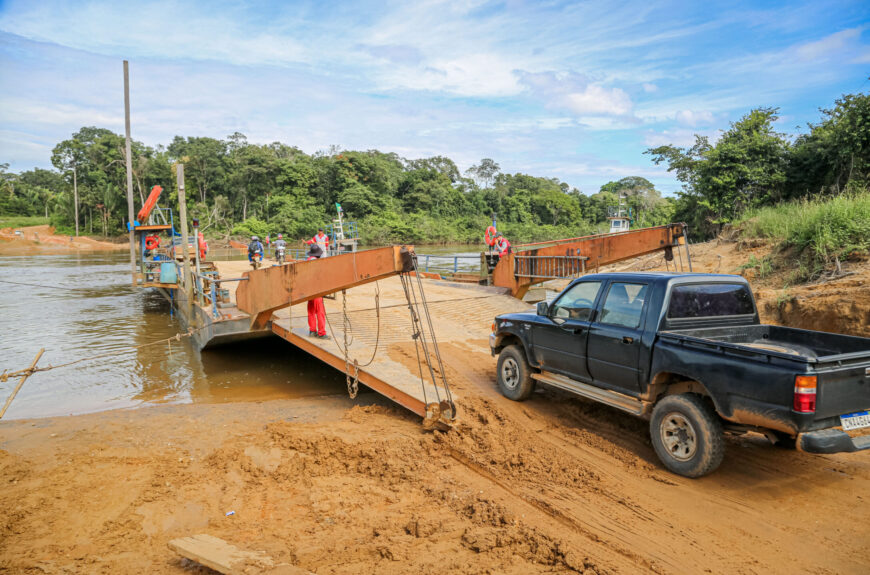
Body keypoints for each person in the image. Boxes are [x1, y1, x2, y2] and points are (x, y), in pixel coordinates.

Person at [306, 244, 328, 338]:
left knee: (311, 312)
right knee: (320, 312)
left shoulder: (306, 262)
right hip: (317, 291)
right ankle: (322, 333)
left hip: (308, 291)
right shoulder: (318, 263)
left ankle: (312, 331)